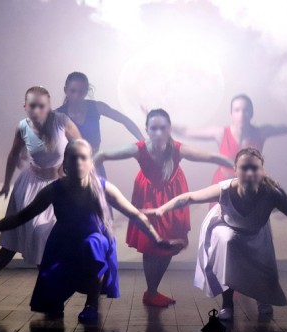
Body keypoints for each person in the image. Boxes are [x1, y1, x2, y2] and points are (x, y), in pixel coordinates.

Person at [0, 139, 180, 320]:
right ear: (65, 164)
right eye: (73, 158)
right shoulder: (54, 190)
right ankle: (57, 300)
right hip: (63, 242)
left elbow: (135, 214)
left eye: (83, 158)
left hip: (94, 240)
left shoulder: (103, 188)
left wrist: (157, 239)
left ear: (90, 163)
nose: (78, 163)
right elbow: (21, 217)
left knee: (91, 245)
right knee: (51, 309)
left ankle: (91, 304)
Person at [144, 147, 287, 320]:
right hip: (224, 227)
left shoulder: (273, 194)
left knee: (261, 268)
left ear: (261, 171)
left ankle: (262, 298)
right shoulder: (225, 189)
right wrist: (162, 209)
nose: (249, 173)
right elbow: (190, 197)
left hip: (255, 231)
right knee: (229, 244)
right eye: (244, 168)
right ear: (236, 170)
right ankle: (227, 305)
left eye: (254, 168)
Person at [94, 109, 234, 307]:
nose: (158, 133)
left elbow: (211, 157)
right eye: (154, 128)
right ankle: (151, 292)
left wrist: (237, 167)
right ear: (147, 130)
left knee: (170, 245)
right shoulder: (139, 148)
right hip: (148, 196)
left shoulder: (177, 149)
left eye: (162, 128)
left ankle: (152, 291)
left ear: (169, 129)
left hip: (173, 195)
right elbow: (102, 154)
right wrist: (87, 176)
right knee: (150, 246)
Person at [0, 86, 81, 299]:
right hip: (30, 188)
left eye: (41, 106)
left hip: (57, 187)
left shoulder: (62, 121)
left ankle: (70, 290)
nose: (37, 110)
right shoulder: (23, 127)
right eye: (32, 106)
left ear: (49, 106)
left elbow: (81, 147)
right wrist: (6, 185)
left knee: (52, 238)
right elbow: (13, 155)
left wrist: (74, 173)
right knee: (13, 244)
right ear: (25, 106)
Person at [174, 94, 287, 186]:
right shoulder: (221, 133)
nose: (241, 115)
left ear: (251, 113)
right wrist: (164, 126)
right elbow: (187, 131)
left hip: (250, 187)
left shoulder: (260, 132)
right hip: (223, 186)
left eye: (245, 110)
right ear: (231, 113)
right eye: (237, 110)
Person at [56, 71, 144, 178]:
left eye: (81, 91)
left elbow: (125, 120)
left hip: (95, 168)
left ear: (86, 91)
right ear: (65, 90)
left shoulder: (96, 107)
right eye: (73, 91)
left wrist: (143, 142)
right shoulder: (57, 116)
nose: (76, 95)